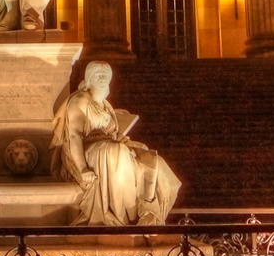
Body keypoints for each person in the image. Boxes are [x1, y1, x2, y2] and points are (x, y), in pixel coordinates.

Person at [50, 61, 181, 226]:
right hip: (84, 151)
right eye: (99, 75)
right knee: (116, 152)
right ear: (89, 78)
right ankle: (122, 217)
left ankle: (148, 212)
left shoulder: (105, 104)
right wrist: (83, 169)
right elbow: (74, 137)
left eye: (106, 75)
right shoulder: (80, 101)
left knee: (151, 159)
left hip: (106, 146)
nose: (103, 78)